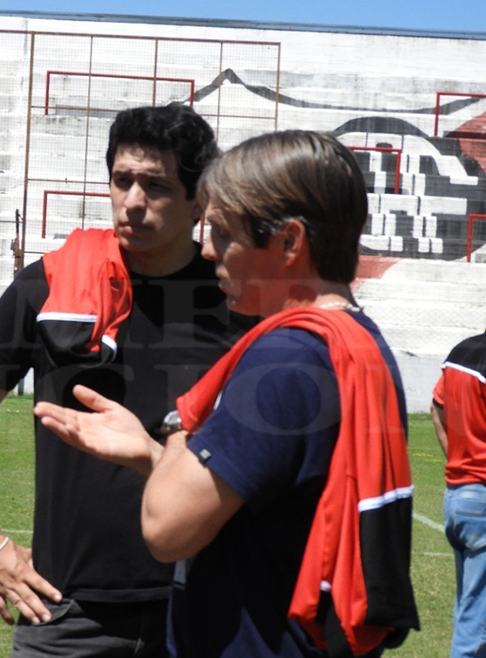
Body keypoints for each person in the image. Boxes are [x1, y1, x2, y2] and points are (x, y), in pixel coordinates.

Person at [36, 130, 420, 658]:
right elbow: (254, 499)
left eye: (222, 231)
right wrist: (149, 454)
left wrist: (176, 425)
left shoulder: (285, 359)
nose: (209, 247)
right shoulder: (356, 340)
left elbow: (165, 529)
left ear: (288, 242)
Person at [0, 104, 248, 656]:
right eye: (122, 180)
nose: (132, 201)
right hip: (66, 610)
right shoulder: (50, 285)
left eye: (156, 186)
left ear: (199, 199)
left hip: (204, 606)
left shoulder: (238, 303)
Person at [431, 333, 486, 658]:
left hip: (459, 496)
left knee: (471, 610)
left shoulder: (462, 351)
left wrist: (457, 460)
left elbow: (436, 408)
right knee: (476, 630)